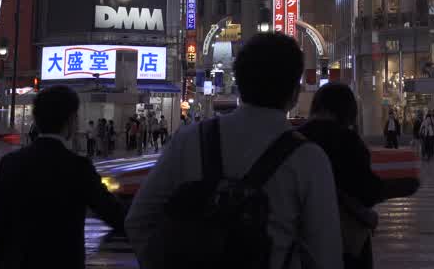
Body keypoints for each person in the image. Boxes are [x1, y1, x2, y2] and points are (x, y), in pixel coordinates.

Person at [125, 32, 342, 268]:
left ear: (239, 84)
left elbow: (138, 220)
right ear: (294, 93)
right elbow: (325, 253)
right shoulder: (309, 159)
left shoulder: (189, 140)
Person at [0, 86, 125, 269]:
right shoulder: (78, 167)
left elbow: (0, 223)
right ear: (70, 120)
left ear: (36, 120)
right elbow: (111, 212)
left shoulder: (10, 163)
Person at [300, 84, 385, 269]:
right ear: (348, 111)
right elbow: (366, 192)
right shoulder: (348, 141)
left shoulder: (295, 138)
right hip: (345, 241)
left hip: (302, 240)